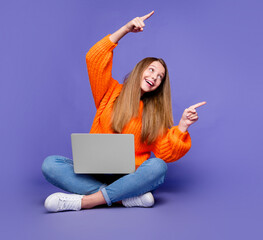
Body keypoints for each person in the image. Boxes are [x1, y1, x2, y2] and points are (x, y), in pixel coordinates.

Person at [41, 11, 206, 212]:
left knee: (158, 167)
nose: (155, 77)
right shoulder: (110, 92)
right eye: (152, 70)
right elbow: (94, 58)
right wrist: (125, 30)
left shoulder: (155, 115)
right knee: (51, 165)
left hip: (129, 177)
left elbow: (166, 154)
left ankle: (85, 202)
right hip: (95, 172)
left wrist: (182, 126)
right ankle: (122, 198)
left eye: (160, 77)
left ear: (160, 85)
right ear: (140, 70)